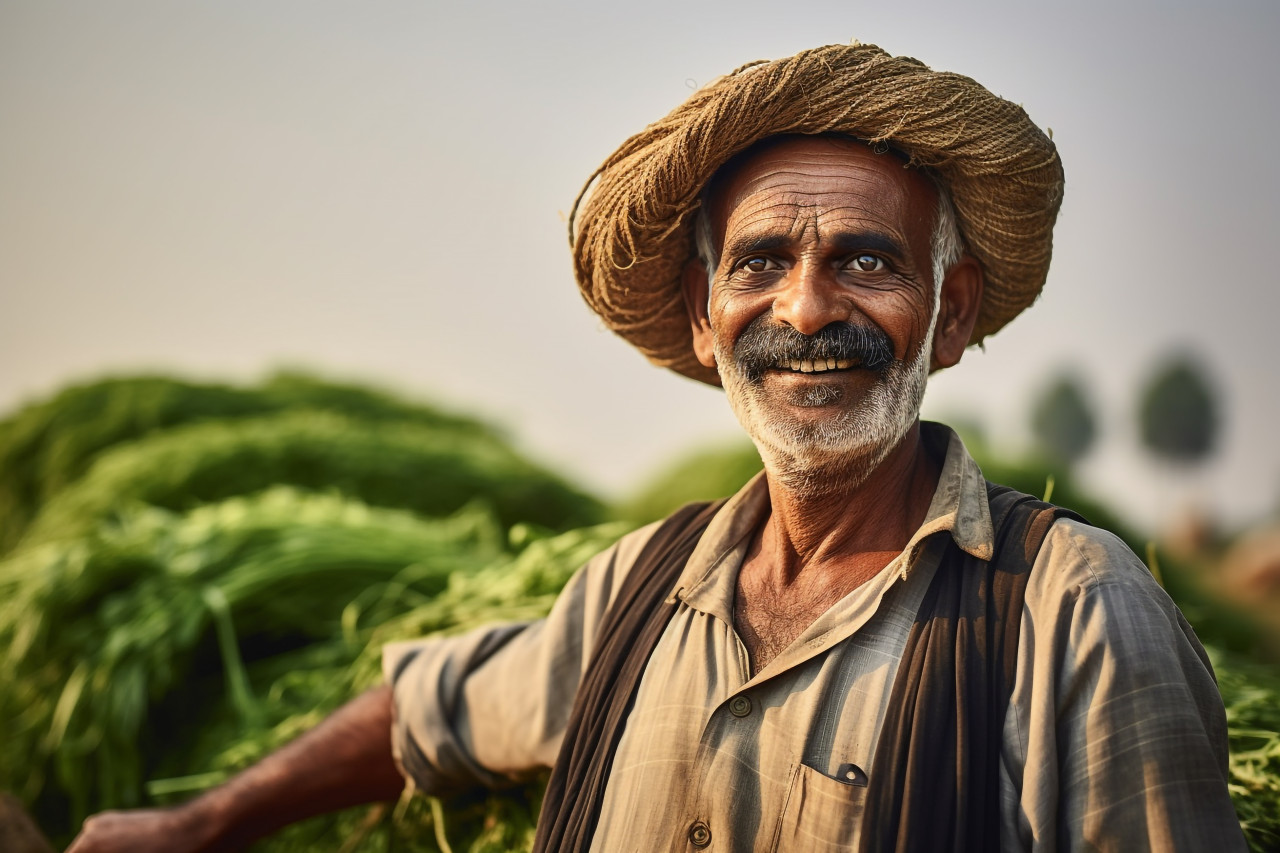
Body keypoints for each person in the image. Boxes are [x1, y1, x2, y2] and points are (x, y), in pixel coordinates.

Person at [67, 42, 1245, 852]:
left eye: (868, 261)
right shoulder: (636, 594)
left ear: (954, 307)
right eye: (759, 262)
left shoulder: (1072, 614)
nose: (804, 310)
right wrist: (198, 825)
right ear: (701, 314)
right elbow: (428, 711)